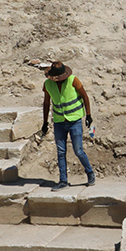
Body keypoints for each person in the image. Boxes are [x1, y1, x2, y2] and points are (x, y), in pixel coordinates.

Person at [41, 61, 95, 191]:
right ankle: (63, 181)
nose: (59, 81)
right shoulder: (47, 85)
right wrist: (45, 122)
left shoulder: (73, 80)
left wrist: (88, 115)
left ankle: (90, 172)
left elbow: (85, 97)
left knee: (78, 150)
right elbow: (46, 103)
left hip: (75, 121)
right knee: (61, 152)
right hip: (59, 122)